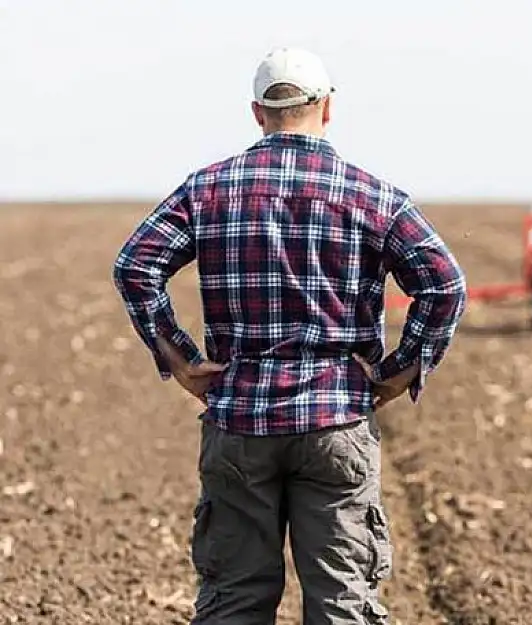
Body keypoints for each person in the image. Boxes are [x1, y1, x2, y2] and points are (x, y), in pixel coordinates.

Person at [111, 46, 467, 624]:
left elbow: (135, 265)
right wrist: (403, 370)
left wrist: (179, 359)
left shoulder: (208, 190)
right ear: (327, 108)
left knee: (234, 604)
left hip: (239, 421)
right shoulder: (372, 196)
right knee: (343, 605)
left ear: (258, 113)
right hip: (337, 420)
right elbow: (445, 284)